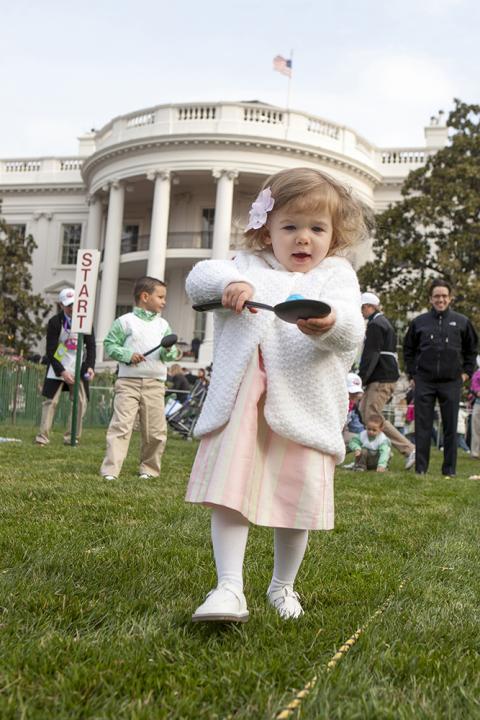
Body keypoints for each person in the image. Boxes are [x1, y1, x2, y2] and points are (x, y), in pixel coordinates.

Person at [185, 167, 367, 622]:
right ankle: (228, 587)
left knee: (297, 501)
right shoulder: (245, 266)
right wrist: (228, 286)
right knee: (232, 489)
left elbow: (351, 328)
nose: (303, 238)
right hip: (245, 400)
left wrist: (330, 323)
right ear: (267, 230)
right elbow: (200, 278)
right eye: (290, 226)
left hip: (304, 406)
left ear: (334, 235)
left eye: (317, 228)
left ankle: (283, 586)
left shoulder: (336, 275)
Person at [99, 276, 180, 481]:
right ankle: (110, 470)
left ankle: (149, 469)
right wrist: (128, 355)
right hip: (128, 383)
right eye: (160, 297)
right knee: (121, 425)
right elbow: (109, 344)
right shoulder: (125, 322)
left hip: (155, 384)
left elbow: (168, 355)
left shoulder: (163, 325)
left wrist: (169, 349)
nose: (164, 301)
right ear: (145, 297)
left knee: (155, 430)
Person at [403, 279, 478, 478]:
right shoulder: (419, 322)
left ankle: (449, 470)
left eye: (444, 296)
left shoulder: (462, 322)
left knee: (450, 427)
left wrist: (466, 374)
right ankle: (421, 469)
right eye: (436, 296)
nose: (441, 299)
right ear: (430, 298)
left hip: (451, 382)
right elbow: (408, 349)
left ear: (450, 298)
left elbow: (472, 350)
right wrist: (412, 374)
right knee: (423, 427)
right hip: (424, 381)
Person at [358, 292, 416, 470]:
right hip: (382, 375)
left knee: (373, 416)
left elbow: (371, 354)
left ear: (369, 307)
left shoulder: (376, 324)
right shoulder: (382, 322)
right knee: (363, 411)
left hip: (381, 377)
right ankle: (382, 450)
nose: (361, 312)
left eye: (362, 308)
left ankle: (409, 449)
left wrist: (362, 378)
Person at [35, 288, 95, 446]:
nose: (73, 308)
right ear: (61, 305)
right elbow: (50, 350)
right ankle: (42, 437)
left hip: (78, 366)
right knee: (50, 402)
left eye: (75, 304)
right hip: (58, 364)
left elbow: (91, 346)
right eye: (69, 305)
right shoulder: (55, 322)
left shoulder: (86, 321)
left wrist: (89, 367)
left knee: (80, 401)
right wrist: (62, 371)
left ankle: (71, 437)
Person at [343, 372, 365, 447]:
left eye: (356, 393)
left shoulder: (353, 408)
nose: (353, 396)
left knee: (365, 440)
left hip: (340, 437)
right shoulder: (334, 406)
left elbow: (357, 427)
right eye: (351, 393)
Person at [470, 357, 480, 459]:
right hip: (478, 404)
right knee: (476, 429)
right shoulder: (477, 374)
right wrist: (477, 392)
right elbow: (474, 386)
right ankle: (475, 452)